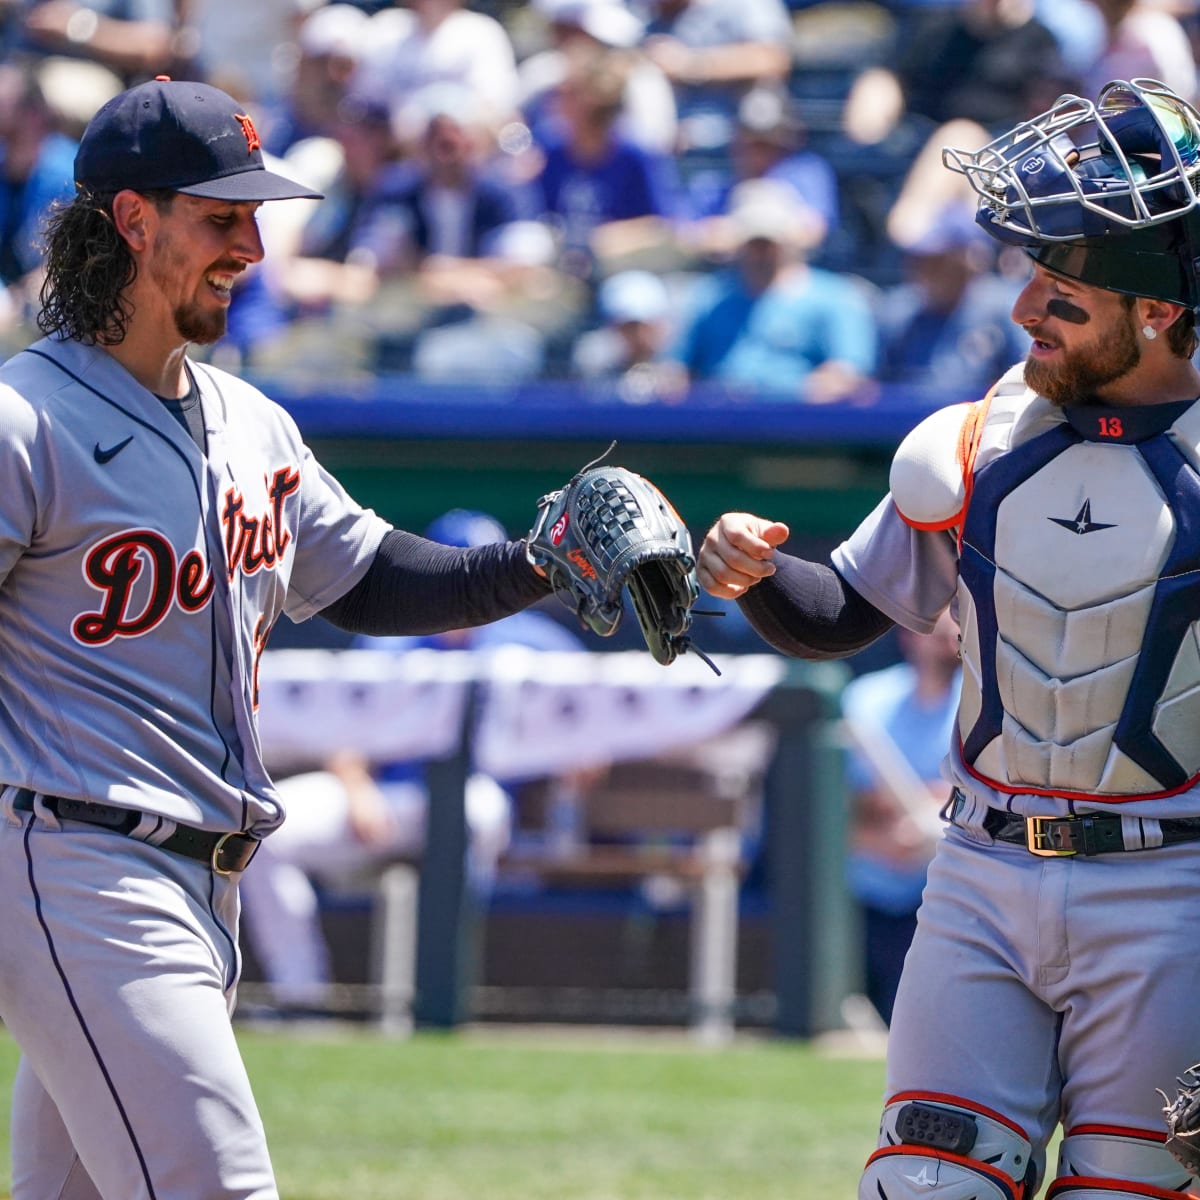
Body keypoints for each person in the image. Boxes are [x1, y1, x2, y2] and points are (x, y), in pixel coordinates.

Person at [0, 77, 624, 1200]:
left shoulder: (251, 422)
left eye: (257, 218)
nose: (252, 245)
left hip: (201, 875)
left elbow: (372, 580)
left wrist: (540, 562)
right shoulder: (22, 422)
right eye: (222, 217)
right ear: (133, 219)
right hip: (75, 859)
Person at [698, 76, 1200, 1197]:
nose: (1025, 309)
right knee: (927, 1185)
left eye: (1061, 288)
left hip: (1175, 894)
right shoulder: (974, 441)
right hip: (980, 873)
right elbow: (840, 616)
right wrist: (759, 575)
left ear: (1156, 308)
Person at [241, 509, 587, 1012]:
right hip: (392, 800)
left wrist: (572, 758)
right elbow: (345, 728)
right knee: (265, 831)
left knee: (479, 811)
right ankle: (302, 997)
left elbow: (595, 717)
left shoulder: (529, 640)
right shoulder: (396, 634)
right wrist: (357, 791)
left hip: (480, 799)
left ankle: (444, 984)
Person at [840, 610, 961, 1027]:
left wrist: (929, 812)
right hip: (862, 890)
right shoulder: (867, 697)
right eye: (940, 626)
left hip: (946, 896)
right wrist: (891, 835)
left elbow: (973, 798)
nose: (951, 637)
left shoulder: (988, 701)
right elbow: (848, 803)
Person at [669, 177, 876, 402]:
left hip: (802, 427)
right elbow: (675, 372)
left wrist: (801, 393)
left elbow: (849, 376)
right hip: (713, 425)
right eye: (753, 242)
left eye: (768, 242)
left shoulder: (837, 297)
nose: (760, 252)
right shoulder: (708, 296)